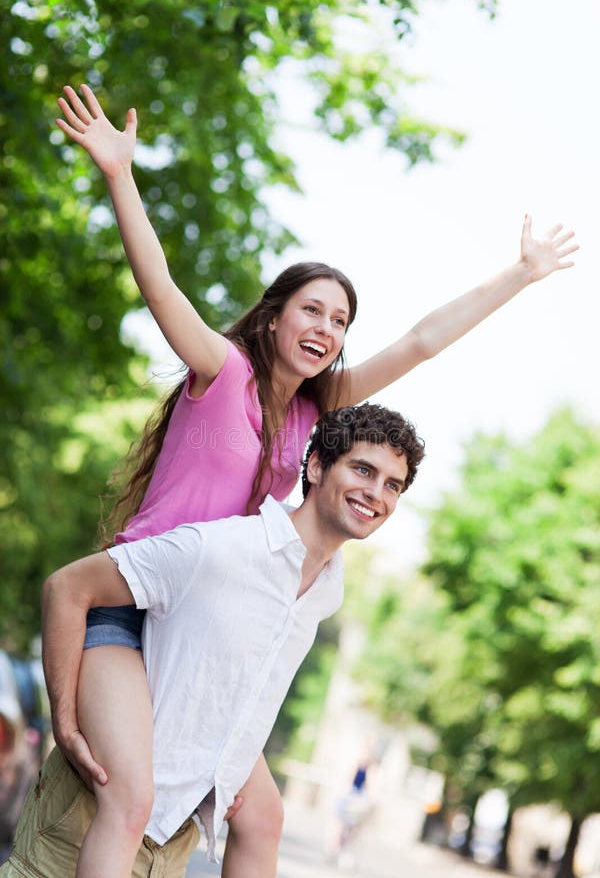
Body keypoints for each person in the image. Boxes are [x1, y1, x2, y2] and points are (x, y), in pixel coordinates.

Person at [51, 83, 578, 878]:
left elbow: (423, 341)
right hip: (131, 605)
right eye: (313, 310)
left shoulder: (315, 420)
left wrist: (519, 276)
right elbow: (159, 282)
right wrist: (120, 174)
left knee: (263, 815)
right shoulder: (218, 370)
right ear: (273, 318)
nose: (327, 330)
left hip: (197, 622)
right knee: (129, 797)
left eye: (340, 322)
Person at [1, 404, 425, 878]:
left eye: (392, 484)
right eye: (363, 470)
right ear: (317, 465)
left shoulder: (328, 590)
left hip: (170, 844)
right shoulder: (223, 549)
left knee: (268, 820)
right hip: (84, 823)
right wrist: (65, 720)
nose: (376, 493)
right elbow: (68, 588)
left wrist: (231, 763)